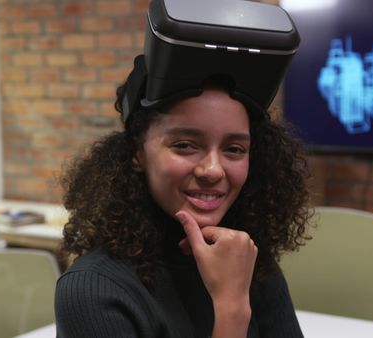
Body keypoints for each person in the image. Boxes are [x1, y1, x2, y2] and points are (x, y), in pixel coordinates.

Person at [55, 2, 311, 337]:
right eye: (185, 145)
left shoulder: (246, 261)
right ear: (137, 153)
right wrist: (232, 308)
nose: (213, 170)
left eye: (235, 149)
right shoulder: (94, 290)